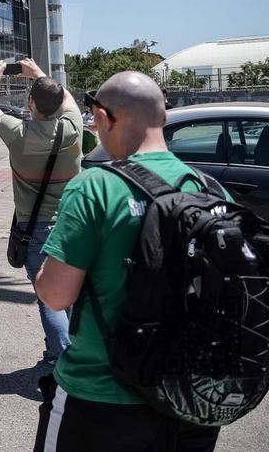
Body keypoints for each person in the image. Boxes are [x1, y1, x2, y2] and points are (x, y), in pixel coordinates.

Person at [32, 71, 223, 451]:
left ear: (103, 119)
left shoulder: (94, 187)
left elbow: (55, 296)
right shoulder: (210, 190)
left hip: (100, 396)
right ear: (164, 117)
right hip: (191, 400)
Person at [0, 58, 83, 365]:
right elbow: (65, 98)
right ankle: (61, 350)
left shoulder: (18, 134)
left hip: (36, 228)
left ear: (30, 103)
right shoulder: (72, 127)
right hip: (73, 224)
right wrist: (39, 74)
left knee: (48, 298)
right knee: (68, 291)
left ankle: (64, 361)